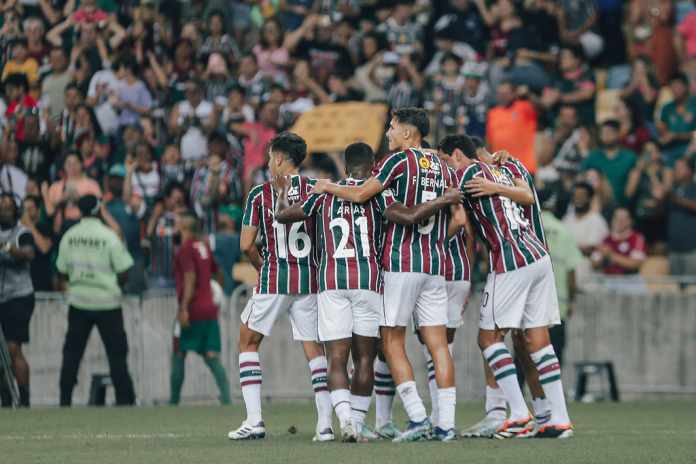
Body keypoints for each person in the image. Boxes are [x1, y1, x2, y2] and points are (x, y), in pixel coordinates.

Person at [275, 142, 461, 441]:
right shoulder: (379, 194)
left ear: (346, 167)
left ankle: (346, 419)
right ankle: (359, 423)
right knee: (365, 358)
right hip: (368, 281)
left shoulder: (324, 193)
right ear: (373, 166)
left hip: (332, 281)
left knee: (336, 357)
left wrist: (283, 191)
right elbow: (409, 216)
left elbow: (284, 216)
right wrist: (444, 200)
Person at [456, 135, 574, 439]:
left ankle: (517, 413)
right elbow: (525, 194)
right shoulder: (508, 166)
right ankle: (555, 417)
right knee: (533, 340)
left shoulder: (480, 171)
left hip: (512, 257)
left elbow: (526, 198)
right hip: (537, 254)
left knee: (490, 337)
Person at [228, 132, 333, 442]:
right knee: (315, 351)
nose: (267, 163)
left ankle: (254, 420)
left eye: (269, 156)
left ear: (279, 158)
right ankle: (325, 424)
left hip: (275, 276)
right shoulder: (317, 189)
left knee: (247, 341)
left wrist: (264, 269)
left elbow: (247, 244)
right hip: (309, 279)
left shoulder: (261, 194)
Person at [55, 195, 136, 406]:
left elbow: (61, 272)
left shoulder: (69, 236)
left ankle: (64, 401)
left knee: (72, 354)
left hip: (79, 302)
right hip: (108, 303)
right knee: (117, 355)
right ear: (99, 210)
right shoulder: (108, 236)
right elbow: (124, 271)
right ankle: (124, 403)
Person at [170, 211, 231, 406]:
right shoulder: (203, 247)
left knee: (179, 350)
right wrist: (217, 292)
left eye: (178, 225)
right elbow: (219, 271)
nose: (175, 229)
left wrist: (184, 308)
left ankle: (173, 402)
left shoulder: (185, 249)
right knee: (211, 354)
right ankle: (227, 399)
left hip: (193, 308)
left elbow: (189, 277)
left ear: (185, 229)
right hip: (209, 309)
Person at [0, 193, 36, 408]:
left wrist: (11, 250)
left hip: (18, 296)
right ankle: (5, 397)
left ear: (16, 210)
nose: (4, 209)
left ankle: (24, 399)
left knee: (13, 349)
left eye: (8, 206)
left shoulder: (23, 233)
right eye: (1, 206)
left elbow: (29, 254)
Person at [581, 120, 637, 207]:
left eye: (609, 132)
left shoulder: (629, 157)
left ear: (618, 133)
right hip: (596, 204)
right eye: (603, 132)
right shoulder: (593, 156)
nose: (606, 135)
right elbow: (581, 177)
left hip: (622, 205)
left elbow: (631, 187)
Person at [486, 82, 538, 173]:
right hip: (500, 168)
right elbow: (489, 141)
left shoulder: (524, 107)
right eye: (500, 94)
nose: (503, 96)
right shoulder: (493, 113)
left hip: (524, 167)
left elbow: (541, 108)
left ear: (514, 94)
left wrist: (528, 95)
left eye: (506, 93)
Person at [591, 207, 647, 275]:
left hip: (630, 280)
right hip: (608, 280)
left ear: (630, 221)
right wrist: (602, 257)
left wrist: (610, 255)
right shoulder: (605, 239)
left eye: (623, 218)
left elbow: (635, 264)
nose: (619, 221)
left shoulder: (637, 238)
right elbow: (594, 264)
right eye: (616, 218)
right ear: (612, 220)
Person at [667, 157, 696, 276]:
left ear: (690, 171)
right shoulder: (672, 190)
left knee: (692, 289)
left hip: (692, 249)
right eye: (675, 168)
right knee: (675, 290)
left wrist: (675, 199)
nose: (675, 171)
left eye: (679, 168)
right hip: (673, 248)